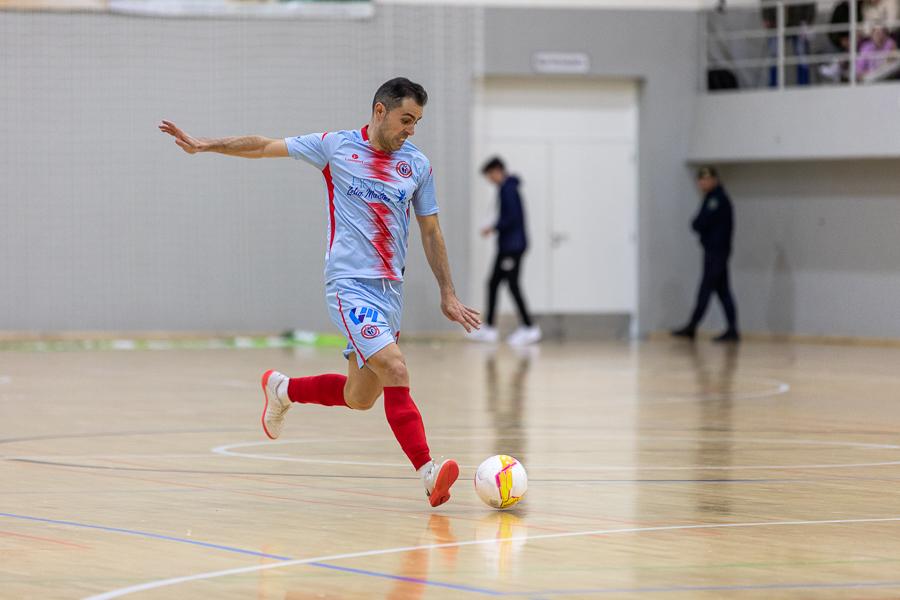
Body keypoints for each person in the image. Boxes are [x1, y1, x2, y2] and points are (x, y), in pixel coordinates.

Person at [158, 77, 481, 507]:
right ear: (380, 111)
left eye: (417, 122)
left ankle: (283, 389)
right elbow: (262, 145)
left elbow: (431, 229)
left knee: (361, 397)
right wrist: (206, 144)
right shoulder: (335, 147)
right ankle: (428, 472)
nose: (411, 130)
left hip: (390, 292)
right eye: (406, 119)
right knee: (397, 368)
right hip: (349, 286)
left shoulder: (417, 165)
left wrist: (448, 293)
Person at [468, 157, 540, 345]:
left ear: (497, 171)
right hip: (508, 246)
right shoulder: (506, 188)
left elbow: (512, 217)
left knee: (512, 285)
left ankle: (530, 327)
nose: (490, 180)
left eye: (490, 175)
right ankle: (490, 328)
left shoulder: (508, 188)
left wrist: (493, 227)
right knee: (493, 284)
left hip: (512, 247)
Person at [672, 166, 739, 343]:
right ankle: (732, 329)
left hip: (716, 253)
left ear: (714, 180)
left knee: (706, 289)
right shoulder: (712, 197)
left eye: (706, 179)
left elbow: (699, 222)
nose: (703, 182)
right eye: (700, 179)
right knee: (723, 292)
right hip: (715, 252)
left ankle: (692, 326)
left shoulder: (716, 199)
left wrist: (699, 226)